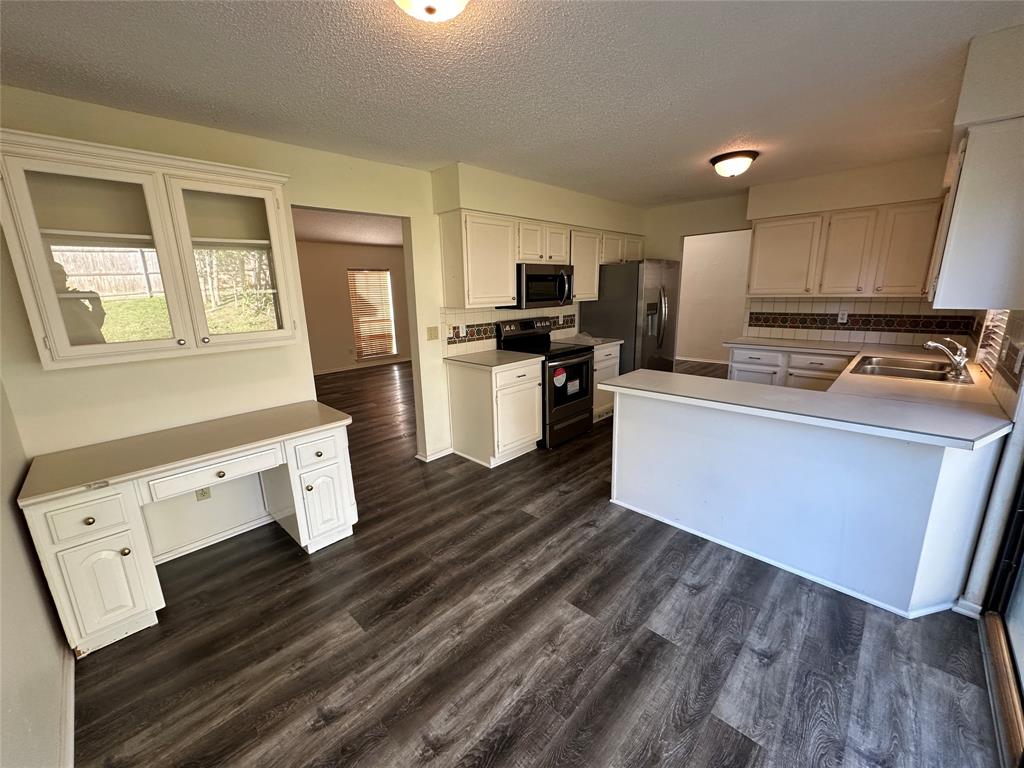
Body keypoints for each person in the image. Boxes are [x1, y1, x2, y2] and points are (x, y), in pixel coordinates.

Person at [49, 259, 106, 345]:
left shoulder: (73, 300)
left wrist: (96, 305)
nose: (64, 279)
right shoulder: (53, 305)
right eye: (58, 274)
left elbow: (95, 325)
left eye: (64, 275)